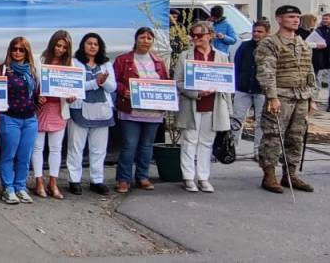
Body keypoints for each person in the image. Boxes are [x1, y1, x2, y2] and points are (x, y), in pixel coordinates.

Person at [257, 5, 317, 193]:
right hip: (281, 96)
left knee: (296, 136)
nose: (296, 20)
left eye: (298, 17)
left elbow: (309, 71)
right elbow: (266, 72)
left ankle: (290, 174)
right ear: (279, 19)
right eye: (291, 16)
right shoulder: (270, 43)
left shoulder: (303, 44)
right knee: (273, 135)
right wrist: (272, 97)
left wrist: (312, 98)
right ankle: (269, 175)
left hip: (301, 97)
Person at [174, 21, 233, 193]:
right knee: (189, 141)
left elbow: (227, 85)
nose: (195, 38)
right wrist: (196, 93)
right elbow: (178, 82)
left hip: (215, 105)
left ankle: (203, 177)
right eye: (192, 35)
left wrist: (229, 111)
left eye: (199, 35)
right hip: (192, 104)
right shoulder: (185, 56)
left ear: (210, 35)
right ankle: (188, 177)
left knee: (207, 142)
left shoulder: (222, 56)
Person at [113, 27, 169, 193]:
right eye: (142, 37)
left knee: (147, 146)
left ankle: (143, 177)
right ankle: (123, 179)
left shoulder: (159, 62)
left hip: (153, 112)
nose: (146, 40)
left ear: (153, 41)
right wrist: (123, 90)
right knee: (129, 145)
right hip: (130, 111)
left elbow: (165, 83)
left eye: (149, 38)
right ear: (136, 39)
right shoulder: (123, 60)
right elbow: (114, 81)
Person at [67, 33, 116, 196]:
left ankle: (97, 180)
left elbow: (112, 87)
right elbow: (75, 86)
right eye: (89, 43)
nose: (93, 46)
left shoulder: (106, 63)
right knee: (76, 147)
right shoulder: (74, 62)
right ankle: (74, 180)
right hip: (79, 109)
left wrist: (104, 81)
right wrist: (96, 82)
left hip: (102, 110)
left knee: (99, 149)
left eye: (96, 44)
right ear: (83, 45)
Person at [31, 30, 73, 200]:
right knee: (37, 147)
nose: (60, 49)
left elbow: (73, 88)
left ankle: (53, 183)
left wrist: (72, 97)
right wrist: (36, 95)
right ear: (52, 44)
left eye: (64, 47)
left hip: (59, 109)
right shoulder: (38, 60)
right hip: (41, 109)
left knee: (56, 148)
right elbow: (31, 83)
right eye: (58, 45)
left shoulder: (70, 64)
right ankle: (39, 182)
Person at [0, 36, 40, 204]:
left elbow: (35, 94)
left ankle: (20, 187)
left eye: (21, 49)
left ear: (26, 52)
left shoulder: (32, 71)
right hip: (10, 118)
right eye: (14, 49)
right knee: (9, 155)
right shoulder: (3, 70)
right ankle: (8, 188)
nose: (17, 52)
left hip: (30, 119)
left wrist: (39, 99)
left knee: (24, 156)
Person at [233, 21, 269, 159]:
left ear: (267, 33)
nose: (256, 34)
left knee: (261, 121)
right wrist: (236, 84)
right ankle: (232, 148)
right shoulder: (244, 46)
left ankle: (258, 151)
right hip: (243, 88)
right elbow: (237, 65)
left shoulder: (271, 47)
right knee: (237, 118)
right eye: (254, 31)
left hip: (262, 89)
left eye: (260, 31)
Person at [313, 13, 330, 89]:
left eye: (326, 19)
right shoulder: (319, 29)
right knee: (319, 72)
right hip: (321, 54)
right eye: (323, 19)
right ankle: (318, 88)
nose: (324, 20)